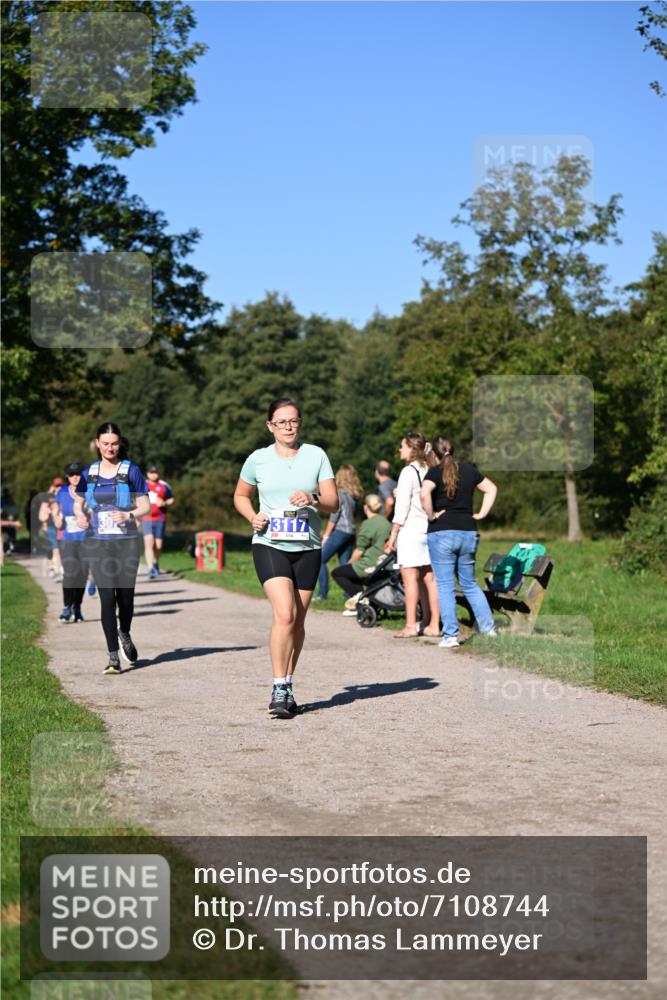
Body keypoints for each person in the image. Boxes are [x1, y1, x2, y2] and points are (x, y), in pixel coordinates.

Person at [234, 398, 338, 719]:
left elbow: (333, 501)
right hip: (269, 543)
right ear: (270, 426)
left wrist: (312, 497)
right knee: (284, 613)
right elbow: (240, 495)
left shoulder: (316, 455)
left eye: (293, 421)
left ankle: (288, 683)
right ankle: (278, 686)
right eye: (281, 422)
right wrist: (252, 516)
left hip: (307, 546)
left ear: (300, 423)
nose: (288, 427)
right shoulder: (258, 459)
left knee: (298, 622)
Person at [74, 423, 150, 674]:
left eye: (114, 443)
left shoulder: (131, 470)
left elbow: (145, 506)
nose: (110, 447)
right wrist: (81, 515)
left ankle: (124, 632)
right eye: (105, 443)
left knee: (125, 599)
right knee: (107, 599)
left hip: (126, 542)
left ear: (120, 444)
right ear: (97, 443)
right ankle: (112, 657)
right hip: (99, 544)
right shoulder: (90, 472)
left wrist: (128, 515)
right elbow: (79, 502)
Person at [420, 436, 498, 648]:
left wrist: (431, 516)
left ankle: (451, 636)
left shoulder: (434, 472)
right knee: (470, 583)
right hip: (468, 532)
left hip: (441, 532)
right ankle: (489, 630)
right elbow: (492, 489)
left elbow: (424, 493)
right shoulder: (469, 470)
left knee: (445, 585)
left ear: (434, 454)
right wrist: (481, 513)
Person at [384, 433, 441, 638]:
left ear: (410, 448)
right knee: (430, 579)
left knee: (410, 580)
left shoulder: (408, 472)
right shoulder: (431, 469)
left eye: (402, 446)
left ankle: (410, 625)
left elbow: (402, 509)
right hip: (430, 529)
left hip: (411, 530)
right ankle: (432, 623)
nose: (400, 450)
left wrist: (392, 536)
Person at [331, 494, 391, 614]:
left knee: (338, 573)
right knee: (353, 575)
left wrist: (348, 564)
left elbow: (359, 550)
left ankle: (360, 599)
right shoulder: (386, 522)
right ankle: (362, 599)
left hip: (370, 563)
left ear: (366, 507)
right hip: (384, 562)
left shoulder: (368, 524)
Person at [316, 463, 363, 600]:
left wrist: (326, 535)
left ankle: (322, 594)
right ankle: (349, 595)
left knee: (319, 559)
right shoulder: (352, 496)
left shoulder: (339, 495)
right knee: (345, 565)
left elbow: (334, 517)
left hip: (340, 531)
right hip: (351, 533)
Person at [54, 462, 90, 623]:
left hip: (86, 539)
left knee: (82, 575)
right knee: (70, 574)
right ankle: (67, 607)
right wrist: (55, 518)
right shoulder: (61, 492)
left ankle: (78, 607)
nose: (75, 477)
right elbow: (56, 512)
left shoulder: (89, 491)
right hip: (67, 539)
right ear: (67, 477)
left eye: (78, 474)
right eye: (71, 474)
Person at [141, 465, 174, 578]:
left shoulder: (164, 485)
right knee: (149, 543)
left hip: (160, 518)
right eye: (151, 472)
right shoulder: (142, 485)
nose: (153, 474)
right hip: (147, 518)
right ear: (147, 474)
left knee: (158, 546)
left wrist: (164, 503)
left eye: (155, 472)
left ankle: (155, 562)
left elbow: (171, 499)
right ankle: (150, 569)